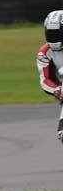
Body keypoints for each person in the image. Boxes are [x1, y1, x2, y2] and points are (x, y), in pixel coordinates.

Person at [36, 10, 63, 142]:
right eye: (51, 33)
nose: (55, 37)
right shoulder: (45, 52)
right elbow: (45, 79)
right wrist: (57, 90)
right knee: (62, 134)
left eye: (58, 33)